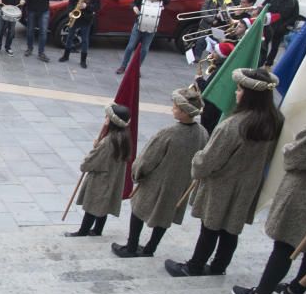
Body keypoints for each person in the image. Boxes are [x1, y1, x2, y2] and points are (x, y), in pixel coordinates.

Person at [165, 68, 284, 278]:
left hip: (223, 183)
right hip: (249, 182)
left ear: (250, 95)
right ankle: (219, 267)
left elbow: (208, 160)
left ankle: (194, 266)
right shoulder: (275, 119)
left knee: (210, 226)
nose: (236, 94)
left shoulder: (233, 125)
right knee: (231, 228)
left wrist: (197, 162)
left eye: (239, 90)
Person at [111, 88, 209, 257]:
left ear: (185, 112)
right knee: (165, 216)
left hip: (157, 181)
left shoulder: (169, 132)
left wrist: (137, 173)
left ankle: (131, 246)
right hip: (180, 183)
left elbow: (147, 159)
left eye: (176, 107)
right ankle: (150, 248)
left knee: (138, 209)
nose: (173, 109)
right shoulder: (202, 132)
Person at [233, 124, 306, 294]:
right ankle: (296, 288)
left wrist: (287, 146)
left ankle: (261, 292)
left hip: (302, 193)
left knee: (285, 243)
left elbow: (293, 157)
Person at [65, 104, 133, 238]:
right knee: (104, 206)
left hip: (101, 178)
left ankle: (83, 231)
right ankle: (97, 230)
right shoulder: (124, 137)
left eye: (107, 116)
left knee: (92, 206)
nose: (105, 118)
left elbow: (90, 162)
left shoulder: (108, 141)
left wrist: (94, 151)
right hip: (113, 177)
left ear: (113, 121)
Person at [116, 0, 169, 74]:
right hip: (139, 22)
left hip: (152, 26)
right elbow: (133, 3)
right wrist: (135, 7)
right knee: (130, 46)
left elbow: (168, 0)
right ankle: (123, 66)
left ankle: (136, 69)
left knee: (144, 49)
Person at [58, 0, 101, 69]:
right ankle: (66, 56)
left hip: (86, 18)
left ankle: (83, 60)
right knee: (70, 36)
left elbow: (97, 7)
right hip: (75, 16)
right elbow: (71, 1)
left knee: (85, 39)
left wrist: (87, 6)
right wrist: (70, 11)